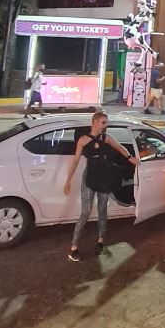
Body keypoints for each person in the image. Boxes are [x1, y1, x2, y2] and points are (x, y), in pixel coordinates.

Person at [64, 111, 140, 262]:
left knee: (102, 209)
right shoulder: (83, 140)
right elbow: (75, 161)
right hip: (90, 177)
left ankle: (100, 240)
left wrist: (129, 157)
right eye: (104, 122)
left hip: (105, 176)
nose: (106, 125)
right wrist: (68, 180)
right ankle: (74, 247)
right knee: (85, 211)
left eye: (107, 122)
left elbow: (120, 148)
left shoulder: (107, 138)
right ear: (95, 122)